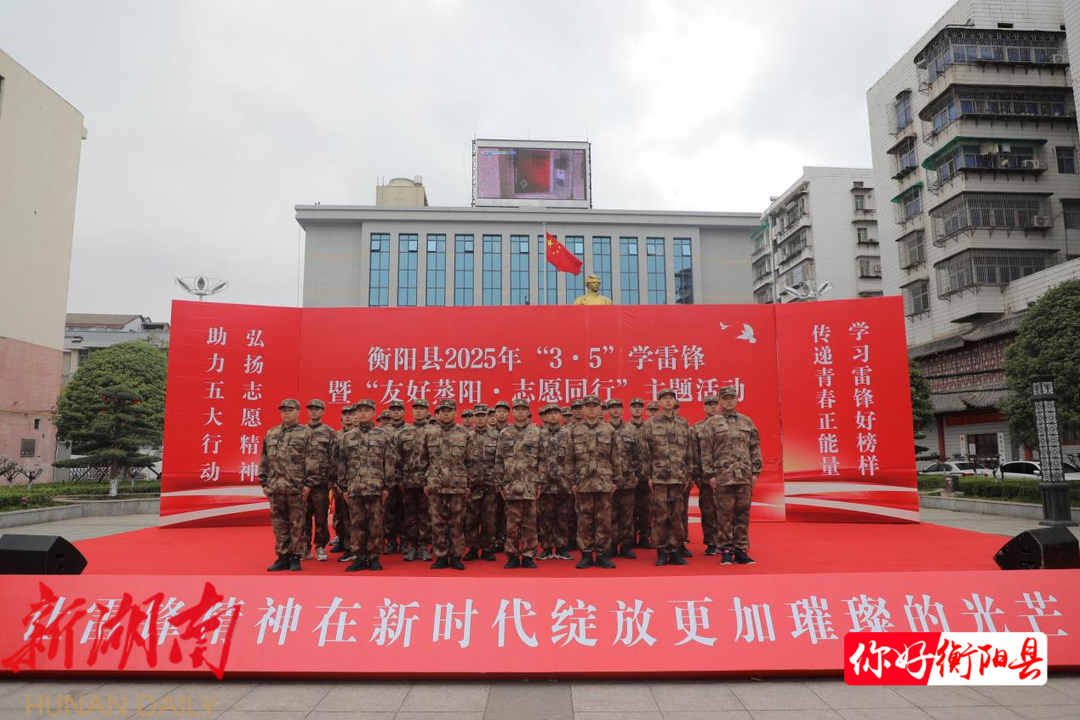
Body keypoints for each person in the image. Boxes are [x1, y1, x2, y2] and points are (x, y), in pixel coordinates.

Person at [700, 385, 762, 566]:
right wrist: (710, 474)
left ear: (736, 399)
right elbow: (706, 450)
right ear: (720, 401)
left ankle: (741, 550)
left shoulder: (746, 421)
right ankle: (726, 550)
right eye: (725, 398)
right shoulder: (712, 423)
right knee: (724, 515)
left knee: (743, 513)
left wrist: (755, 472)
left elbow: (755, 447)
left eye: (732, 398)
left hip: (744, 475)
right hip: (722, 476)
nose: (729, 401)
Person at [419, 399, 480, 570]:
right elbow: (422, 461)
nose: (446, 414)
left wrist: (469, 485)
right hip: (436, 486)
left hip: (457, 486)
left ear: (455, 413)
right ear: (438, 414)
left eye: (449, 411)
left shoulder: (464, 434)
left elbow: (472, 462)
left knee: (456, 523)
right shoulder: (430, 433)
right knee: (437, 522)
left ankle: (455, 556)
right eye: (442, 411)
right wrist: (425, 483)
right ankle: (440, 555)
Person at [258, 398, 317, 572]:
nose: (287, 413)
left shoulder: (306, 433)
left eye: (290, 410)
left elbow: (313, 460)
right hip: (276, 487)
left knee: (297, 523)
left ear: (298, 412)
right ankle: (282, 556)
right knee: (279, 524)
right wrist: (264, 482)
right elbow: (264, 459)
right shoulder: (272, 433)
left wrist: (309, 484)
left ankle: (296, 556)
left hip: (296, 487)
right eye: (284, 410)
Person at [337, 399, 396, 571]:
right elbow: (341, 464)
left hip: (376, 488)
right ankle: (360, 557)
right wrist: (344, 488)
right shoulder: (347, 437)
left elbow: (389, 462)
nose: (363, 413)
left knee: (375, 524)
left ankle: (374, 556)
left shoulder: (383, 435)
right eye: (360, 410)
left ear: (373, 412)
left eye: (367, 410)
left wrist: (387, 487)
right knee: (356, 524)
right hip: (354, 488)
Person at [639, 388, 694, 566]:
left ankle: (675, 550)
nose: (668, 401)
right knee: (660, 515)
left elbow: (689, 451)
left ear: (675, 402)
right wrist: (648, 476)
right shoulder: (651, 423)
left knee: (677, 515)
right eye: (664, 398)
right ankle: (662, 551)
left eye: (671, 398)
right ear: (660, 403)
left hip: (678, 477)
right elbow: (645, 452)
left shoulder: (683, 423)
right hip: (659, 478)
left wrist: (688, 474)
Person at [566, 395, 621, 569]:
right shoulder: (575, 430)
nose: (591, 409)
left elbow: (615, 457)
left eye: (595, 406)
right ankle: (586, 554)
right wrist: (571, 482)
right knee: (584, 520)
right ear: (582, 409)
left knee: (604, 520)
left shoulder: (608, 430)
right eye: (588, 406)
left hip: (604, 482)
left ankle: (603, 554)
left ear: (600, 409)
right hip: (582, 482)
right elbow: (569, 459)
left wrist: (616, 481)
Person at [495, 398, 542, 568]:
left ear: (528, 412)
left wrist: (540, 484)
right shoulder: (505, 433)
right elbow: (499, 460)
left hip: (530, 485)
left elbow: (542, 459)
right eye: (517, 409)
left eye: (523, 409)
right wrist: (500, 484)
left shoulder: (536, 432)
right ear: (512, 412)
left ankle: (528, 556)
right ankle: (513, 556)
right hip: (511, 486)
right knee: (511, 525)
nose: (520, 412)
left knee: (530, 524)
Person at [398, 399, 433, 562]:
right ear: (412, 411)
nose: (418, 411)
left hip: (427, 482)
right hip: (408, 482)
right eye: (416, 409)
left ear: (427, 411)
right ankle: (412, 546)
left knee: (426, 514)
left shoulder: (434, 431)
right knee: (410, 515)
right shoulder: (403, 433)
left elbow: (436, 458)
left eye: (422, 408)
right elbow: (397, 458)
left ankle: (424, 546)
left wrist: (432, 479)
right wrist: (399, 479)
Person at [537, 404, 573, 560]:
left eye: (555, 413)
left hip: (563, 483)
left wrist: (571, 480)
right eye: (549, 413)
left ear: (560, 415)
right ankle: (546, 547)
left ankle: (561, 547)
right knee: (545, 516)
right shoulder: (539, 434)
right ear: (545, 416)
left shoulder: (568, 433)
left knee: (563, 516)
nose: (552, 416)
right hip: (545, 483)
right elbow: (535, 459)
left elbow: (572, 458)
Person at [606, 398, 641, 559]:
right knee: (610, 514)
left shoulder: (631, 429)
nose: (615, 410)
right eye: (612, 407)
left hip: (627, 480)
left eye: (618, 407)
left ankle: (626, 545)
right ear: (608, 411)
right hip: (608, 481)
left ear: (622, 410)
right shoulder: (604, 429)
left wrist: (634, 473)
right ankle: (612, 545)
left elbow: (638, 455)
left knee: (627, 514)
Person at [464, 403, 499, 561]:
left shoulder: (496, 436)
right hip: (472, 485)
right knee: (471, 518)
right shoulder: (467, 436)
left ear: (487, 417)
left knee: (489, 519)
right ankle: (472, 548)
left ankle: (487, 548)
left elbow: (500, 460)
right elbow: (462, 461)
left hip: (490, 484)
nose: (480, 419)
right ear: (473, 418)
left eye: (483, 416)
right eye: (477, 416)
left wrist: (498, 481)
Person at [301, 399, 335, 562]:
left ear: (323, 411)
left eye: (317, 409)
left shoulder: (329, 432)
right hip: (303, 483)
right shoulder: (300, 431)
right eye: (311, 409)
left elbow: (334, 457)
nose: (313, 411)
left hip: (321, 483)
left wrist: (331, 479)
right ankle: (305, 547)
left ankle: (320, 546)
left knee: (321, 517)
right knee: (303, 516)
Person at [692, 395, 721, 556]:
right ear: (704, 408)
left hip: (726, 476)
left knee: (726, 511)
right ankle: (711, 542)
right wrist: (696, 475)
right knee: (708, 511)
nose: (713, 407)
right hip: (705, 477)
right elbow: (693, 452)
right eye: (709, 405)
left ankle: (726, 542)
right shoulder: (697, 428)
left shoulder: (727, 424)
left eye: (715, 404)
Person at [331, 405, 356, 561]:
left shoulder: (358, 435)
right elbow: (333, 460)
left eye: (351, 414)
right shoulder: (337, 436)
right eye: (345, 414)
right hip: (339, 483)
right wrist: (336, 482)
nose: (348, 417)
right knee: (340, 515)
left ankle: (352, 547)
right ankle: (342, 540)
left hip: (355, 483)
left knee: (353, 517)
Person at [628, 397, 652, 549]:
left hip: (646, 475)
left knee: (646, 509)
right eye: (634, 406)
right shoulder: (626, 428)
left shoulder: (650, 427)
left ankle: (644, 536)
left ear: (643, 409)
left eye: (639, 406)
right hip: (630, 477)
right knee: (629, 509)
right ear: (629, 409)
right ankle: (630, 537)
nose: (637, 409)